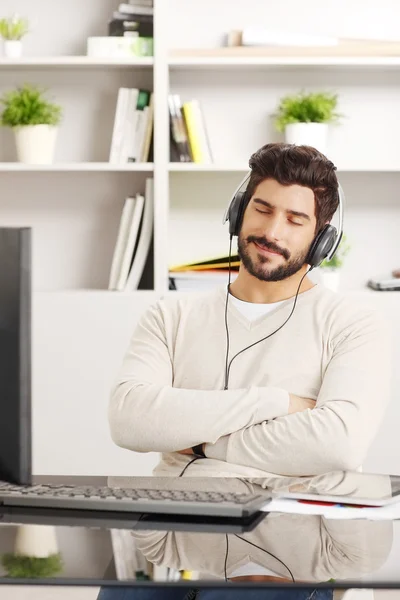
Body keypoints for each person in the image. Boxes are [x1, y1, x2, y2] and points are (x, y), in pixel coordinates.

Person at [107, 143, 392, 481]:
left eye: (294, 220)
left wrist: (196, 442)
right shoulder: (170, 317)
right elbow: (129, 421)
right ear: (239, 210)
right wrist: (277, 403)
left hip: (298, 528)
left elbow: (339, 445)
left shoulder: (353, 325)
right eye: (262, 209)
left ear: (321, 239)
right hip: (181, 521)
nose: (272, 232)